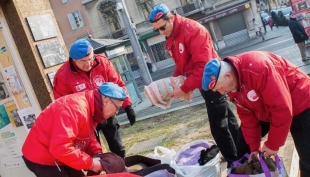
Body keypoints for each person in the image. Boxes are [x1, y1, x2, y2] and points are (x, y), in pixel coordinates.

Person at [148, 3, 239, 166]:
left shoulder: (193, 30)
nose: (161, 33)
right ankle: (239, 153)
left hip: (214, 82)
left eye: (162, 28)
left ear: (171, 18)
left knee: (219, 126)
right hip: (205, 82)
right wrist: (173, 82)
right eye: (157, 30)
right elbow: (182, 64)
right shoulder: (172, 34)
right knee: (228, 120)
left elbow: (202, 67)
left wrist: (182, 88)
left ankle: (235, 163)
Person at [202, 51, 310, 177]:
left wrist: (273, 144)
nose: (221, 93)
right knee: (244, 148)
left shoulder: (259, 68)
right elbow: (247, 116)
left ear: (228, 76)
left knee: (307, 156)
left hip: (301, 101)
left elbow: (281, 108)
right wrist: (254, 148)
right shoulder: (231, 85)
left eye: (219, 88)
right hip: (266, 106)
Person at [53, 39, 136, 159]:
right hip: (86, 119)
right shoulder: (63, 76)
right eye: (83, 61)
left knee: (118, 147)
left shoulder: (103, 63)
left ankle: (122, 170)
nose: (88, 64)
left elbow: (117, 84)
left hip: (107, 113)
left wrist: (128, 106)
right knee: (95, 153)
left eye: (90, 59)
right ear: (73, 60)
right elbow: (64, 104)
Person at [22, 82, 127, 177]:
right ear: (107, 101)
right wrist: (91, 164)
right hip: (43, 157)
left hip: (61, 153)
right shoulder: (75, 109)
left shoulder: (94, 107)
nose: (117, 112)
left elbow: (87, 136)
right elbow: (60, 147)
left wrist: (98, 155)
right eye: (117, 108)